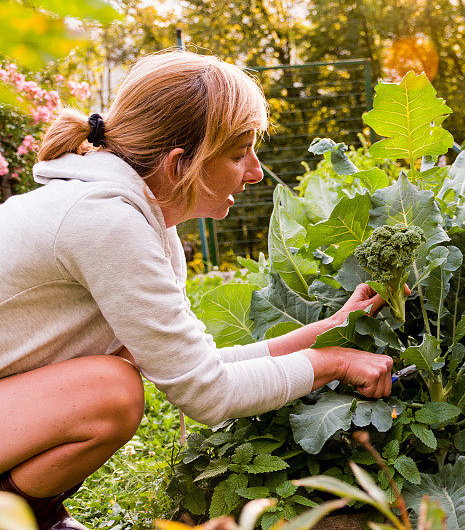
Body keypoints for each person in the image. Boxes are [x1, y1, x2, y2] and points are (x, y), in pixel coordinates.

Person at [0, 50, 395, 530]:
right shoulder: (105, 221)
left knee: (116, 376)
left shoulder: (143, 224)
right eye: (237, 154)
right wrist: (335, 363)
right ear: (178, 165)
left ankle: (29, 515)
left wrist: (327, 333)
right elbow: (208, 394)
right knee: (111, 391)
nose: (254, 171)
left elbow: (197, 367)